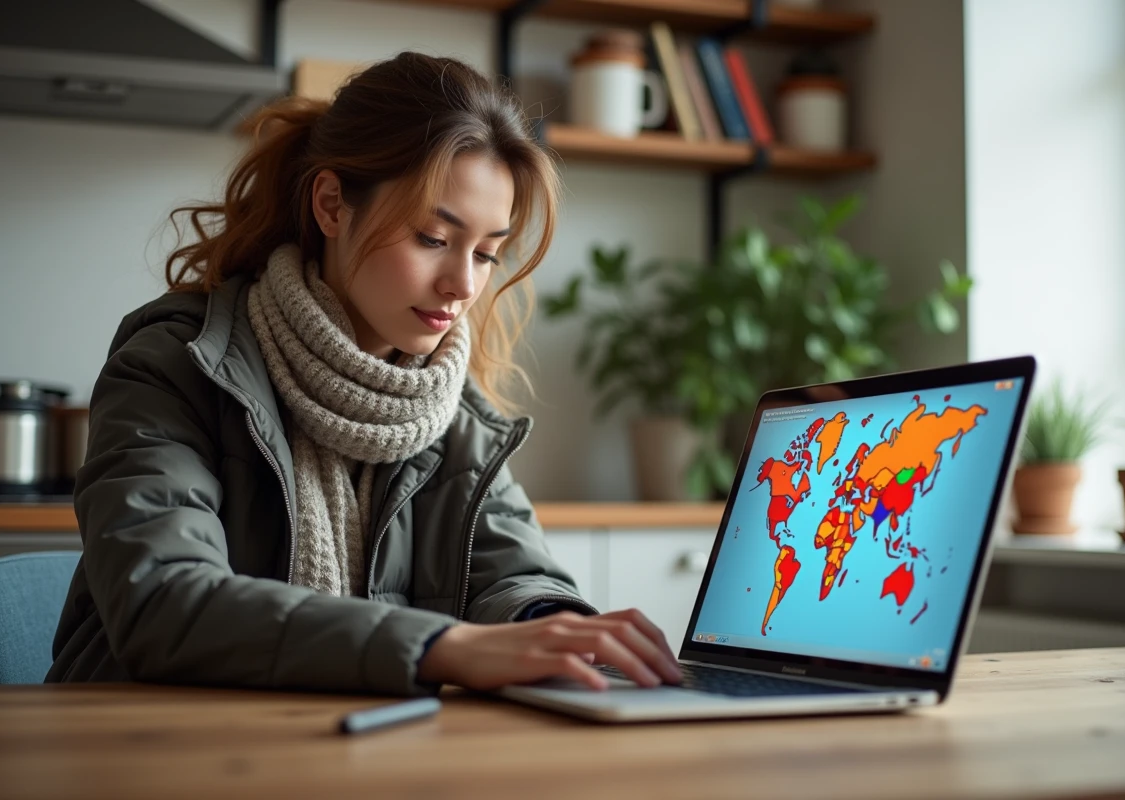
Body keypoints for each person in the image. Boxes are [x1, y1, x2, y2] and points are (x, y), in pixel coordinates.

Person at [47, 52, 681, 696]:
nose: (464, 284)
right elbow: (164, 602)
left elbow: (511, 575)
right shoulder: (178, 363)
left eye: (487, 252)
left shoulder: (450, 411)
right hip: (140, 746)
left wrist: (550, 626)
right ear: (331, 205)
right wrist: (443, 647)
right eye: (433, 238)